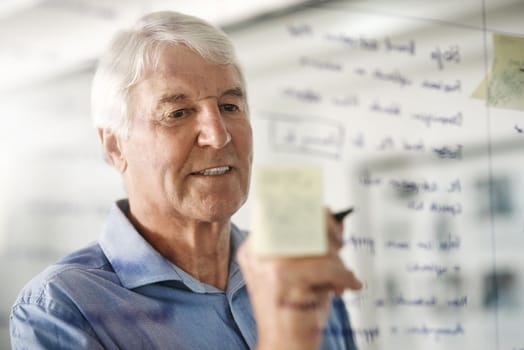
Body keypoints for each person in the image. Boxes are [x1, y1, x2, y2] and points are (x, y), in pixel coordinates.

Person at [10, 11, 362, 350]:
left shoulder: (299, 275)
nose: (218, 136)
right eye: (177, 113)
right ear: (115, 147)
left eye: (229, 107)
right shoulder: (63, 308)